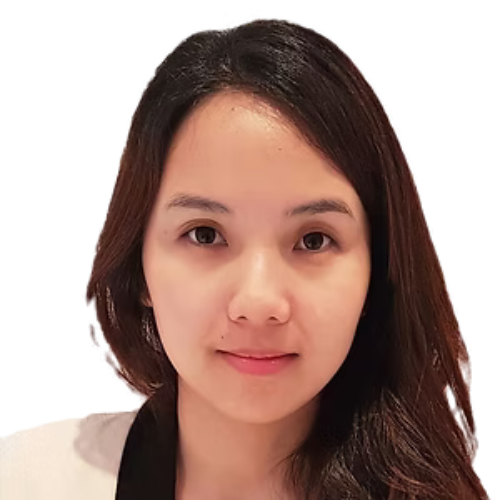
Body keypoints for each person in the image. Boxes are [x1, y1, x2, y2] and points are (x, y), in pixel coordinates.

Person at [0, 18, 489, 500]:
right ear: (139, 265)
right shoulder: (27, 482)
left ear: (376, 272)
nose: (258, 302)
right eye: (205, 234)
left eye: (314, 240)